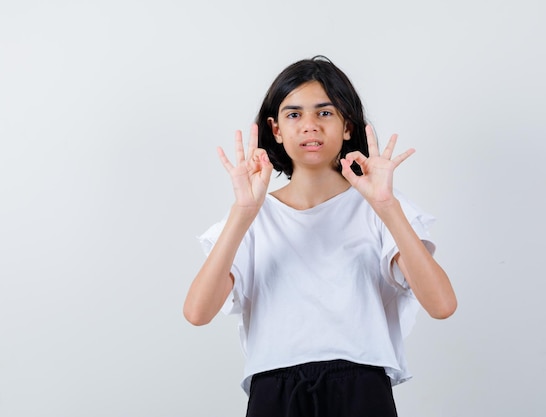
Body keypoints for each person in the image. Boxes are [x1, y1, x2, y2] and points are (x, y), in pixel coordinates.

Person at [183, 55, 457, 417]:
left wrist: (387, 207)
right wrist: (243, 213)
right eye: (294, 114)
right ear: (276, 129)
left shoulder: (378, 206)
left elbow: (442, 305)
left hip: (361, 386)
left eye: (325, 113)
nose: (309, 126)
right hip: (274, 389)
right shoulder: (252, 214)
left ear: (347, 125)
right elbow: (197, 312)